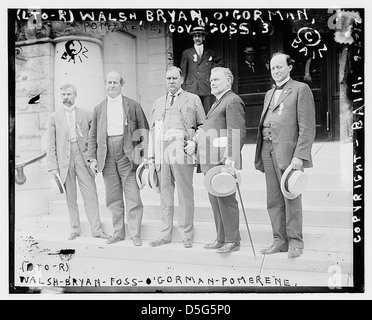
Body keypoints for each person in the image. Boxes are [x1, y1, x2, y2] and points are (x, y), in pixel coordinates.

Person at [254, 52, 316, 259]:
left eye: (280, 67)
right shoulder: (269, 94)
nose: (276, 71)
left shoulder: (301, 89)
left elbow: (307, 127)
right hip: (267, 149)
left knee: (291, 195)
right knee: (273, 198)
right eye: (273, 68)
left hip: (288, 152)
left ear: (290, 67)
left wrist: (300, 155)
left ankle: (296, 241)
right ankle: (279, 240)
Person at [186, 67, 246, 254]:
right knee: (216, 201)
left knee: (226, 201)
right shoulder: (216, 102)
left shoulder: (233, 100)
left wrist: (230, 158)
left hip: (222, 161)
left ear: (229, 81)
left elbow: (236, 132)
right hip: (210, 162)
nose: (212, 82)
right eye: (211, 79)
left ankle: (232, 240)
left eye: (217, 79)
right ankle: (221, 238)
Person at [88, 71, 149, 246]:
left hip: (127, 154)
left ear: (121, 84)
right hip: (106, 155)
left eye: (115, 82)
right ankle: (118, 232)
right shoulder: (99, 108)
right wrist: (92, 158)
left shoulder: (132, 105)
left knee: (133, 196)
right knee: (112, 197)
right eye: (109, 82)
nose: (112, 85)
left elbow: (144, 131)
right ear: (105, 85)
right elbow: (93, 136)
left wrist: (144, 155)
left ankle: (135, 233)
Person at [148, 66, 205, 249]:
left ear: (181, 80)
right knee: (165, 194)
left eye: (174, 78)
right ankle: (165, 234)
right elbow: (152, 131)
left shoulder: (193, 99)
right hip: (162, 149)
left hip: (182, 147)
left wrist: (194, 143)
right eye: (168, 78)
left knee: (184, 194)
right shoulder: (157, 102)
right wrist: (151, 157)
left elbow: (203, 125)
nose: (171, 81)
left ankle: (186, 234)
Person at [46, 83, 109, 241]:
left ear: (75, 95)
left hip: (83, 157)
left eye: (69, 94)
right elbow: (50, 144)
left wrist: (93, 158)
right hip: (64, 160)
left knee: (91, 195)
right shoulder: (54, 117)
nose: (66, 97)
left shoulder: (86, 114)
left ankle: (97, 229)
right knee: (71, 197)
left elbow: (94, 137)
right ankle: (75, 228)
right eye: (63, 95)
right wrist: (53, 167)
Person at [180, 25, 224, 115]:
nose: (197, 38)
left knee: (208, 112)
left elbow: (221, 61)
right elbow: (183, 71)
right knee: (193, 113)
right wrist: (183, 87)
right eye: (195, 36)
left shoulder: (210, 52)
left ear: (204, 37)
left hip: (206, 86)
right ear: (193, 38)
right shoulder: (187, 53)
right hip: (192, 87)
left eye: (199, 36)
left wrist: (213, 71)